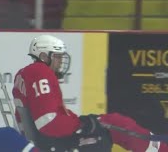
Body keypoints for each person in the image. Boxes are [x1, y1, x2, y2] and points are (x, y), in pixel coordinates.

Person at [12, 34, 168, 152]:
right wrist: (83, 125)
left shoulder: (24, 73)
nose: (60, 62)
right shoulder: (40, 71)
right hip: (55, 142)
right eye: (57, 57)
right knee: (116, 124)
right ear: (44, 56)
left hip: (46, 139)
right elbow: (49, 122)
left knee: (110, 121)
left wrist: (84, 122)